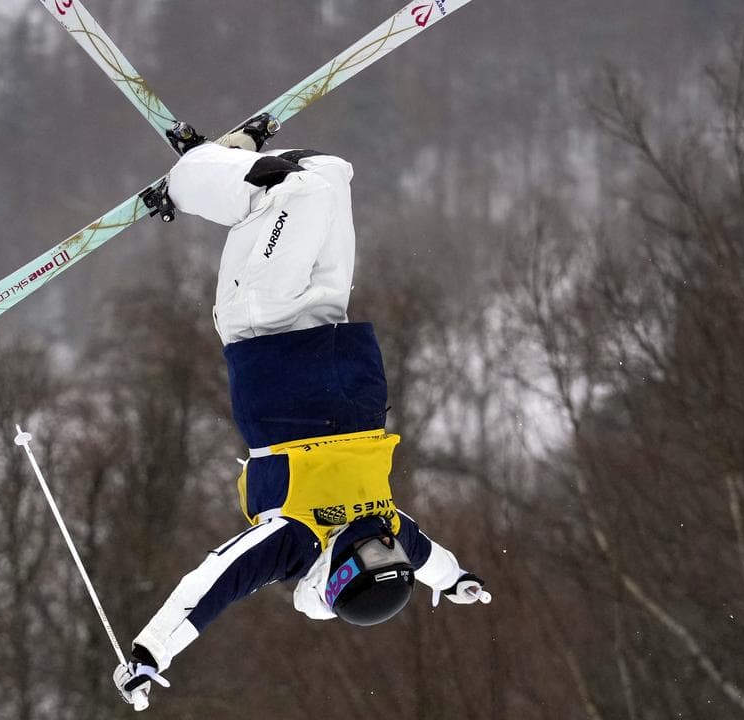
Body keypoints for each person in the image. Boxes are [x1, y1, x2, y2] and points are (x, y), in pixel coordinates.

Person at [114, 115, 491, 711]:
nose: (385, 542)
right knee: (331, 173)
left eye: (376, 556)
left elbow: (213, 585)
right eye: (392, 553)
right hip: (328, 328)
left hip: (263, 326)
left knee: (300, 192)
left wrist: (150, 652)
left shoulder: (295, 540)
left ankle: (189, 176)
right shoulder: (384, 528)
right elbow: (427, 556)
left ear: (341, 573)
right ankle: (231, 159)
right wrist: (457, 579)